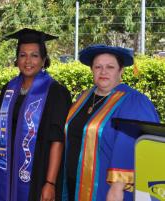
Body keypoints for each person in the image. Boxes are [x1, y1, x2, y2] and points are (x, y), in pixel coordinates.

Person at [0, 28, 71, 201]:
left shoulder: (56, 92)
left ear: (44, 60)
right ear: (17, 60)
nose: (28, 61)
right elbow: (3, 128)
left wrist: (50, 183)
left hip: (38, 173)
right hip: (6, 170)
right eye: (23, 55)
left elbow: (58, 141)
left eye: (34, 55)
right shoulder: (9, 89)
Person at [61, 45, 160, 201]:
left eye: (110, 67)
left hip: (107, 190)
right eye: (98, 67)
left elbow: (132, 146)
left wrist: (117, 188)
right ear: (91, 70)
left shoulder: (133, 102)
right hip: (74, 185)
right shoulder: (83, 97)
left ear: (121, 71)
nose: (103, 71)